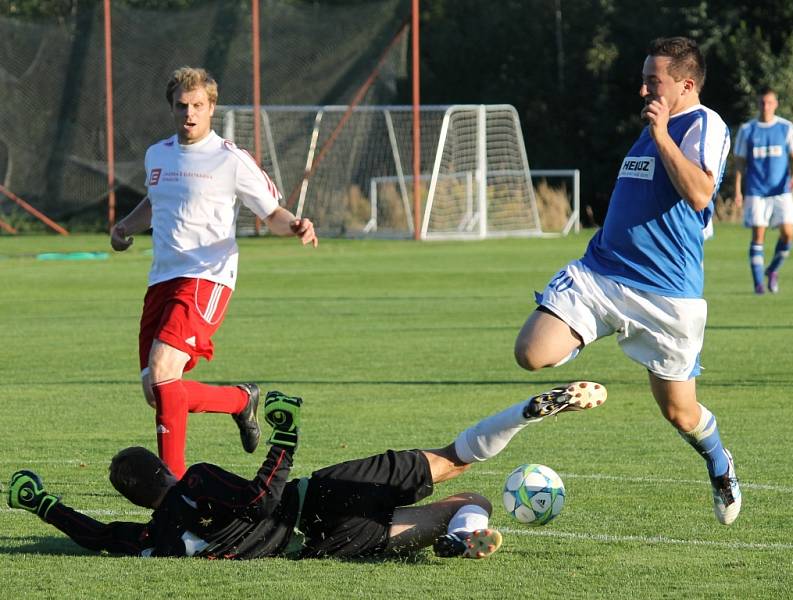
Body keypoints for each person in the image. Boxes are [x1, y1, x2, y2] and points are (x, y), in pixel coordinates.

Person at [513, 37, 741, 525]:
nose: (643, 89)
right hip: (603, 272)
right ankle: (582, 352)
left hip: (666, 294)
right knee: (531, 352)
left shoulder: (705, 124)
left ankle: (719, 461)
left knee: (680, 412)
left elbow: (702, 194)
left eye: (653, 80)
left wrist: (662, 135)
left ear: (685, 84)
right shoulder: (650, 127)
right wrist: (656, 132)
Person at [6, 382, 606, 560]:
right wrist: (285, 438)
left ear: (138, 502)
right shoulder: (194, 481)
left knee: (463, 503)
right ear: (161, 469)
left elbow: (96, 536)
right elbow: (261, 498)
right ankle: (524, 414)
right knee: (455, 462)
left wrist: (42, 505)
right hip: (315, 496)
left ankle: (456, 535)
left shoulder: (150, 540)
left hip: (317, 546)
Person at [109, 67, 318, 479]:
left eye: (198, 106)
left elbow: (271, 212)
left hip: (207, 276)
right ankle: (240, 401)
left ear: (211, 108)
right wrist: (123, 228)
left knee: (165, 371)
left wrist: (294, 224)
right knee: (157, 391)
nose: (189, 113)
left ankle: (173, 488)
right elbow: (155, 202)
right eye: (182, 106)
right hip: (161, 279)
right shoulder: (158, 154)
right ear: (172, 107)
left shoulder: (230, 159)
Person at [733, 87, 793, 294]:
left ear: (776, 104)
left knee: (788, 234)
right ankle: (759, 285)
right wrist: (738, 190)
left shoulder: (785, 127)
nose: (766, 106)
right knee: (758, 236)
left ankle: (772, 270)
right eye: (762, 102)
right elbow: (739, 163)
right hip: (756, 191)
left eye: (769, 102)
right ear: (758, 103)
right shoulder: (747, 130)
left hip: (781, 191)